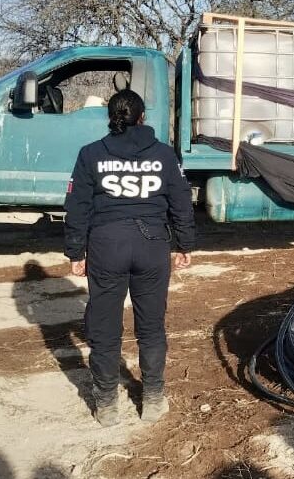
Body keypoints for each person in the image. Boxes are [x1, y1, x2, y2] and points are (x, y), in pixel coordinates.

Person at [64, 89, 196, 426]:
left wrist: (76, 252)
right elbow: (181, 202)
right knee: (151, 327)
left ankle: (106, 405)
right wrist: (184, 245)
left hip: (107, 245)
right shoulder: (165, 156)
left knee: (105, 329)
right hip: (151, 245)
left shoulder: (90, 154)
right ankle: (152, 399)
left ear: (111, 117)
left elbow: (77, 206)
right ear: (142, 118)